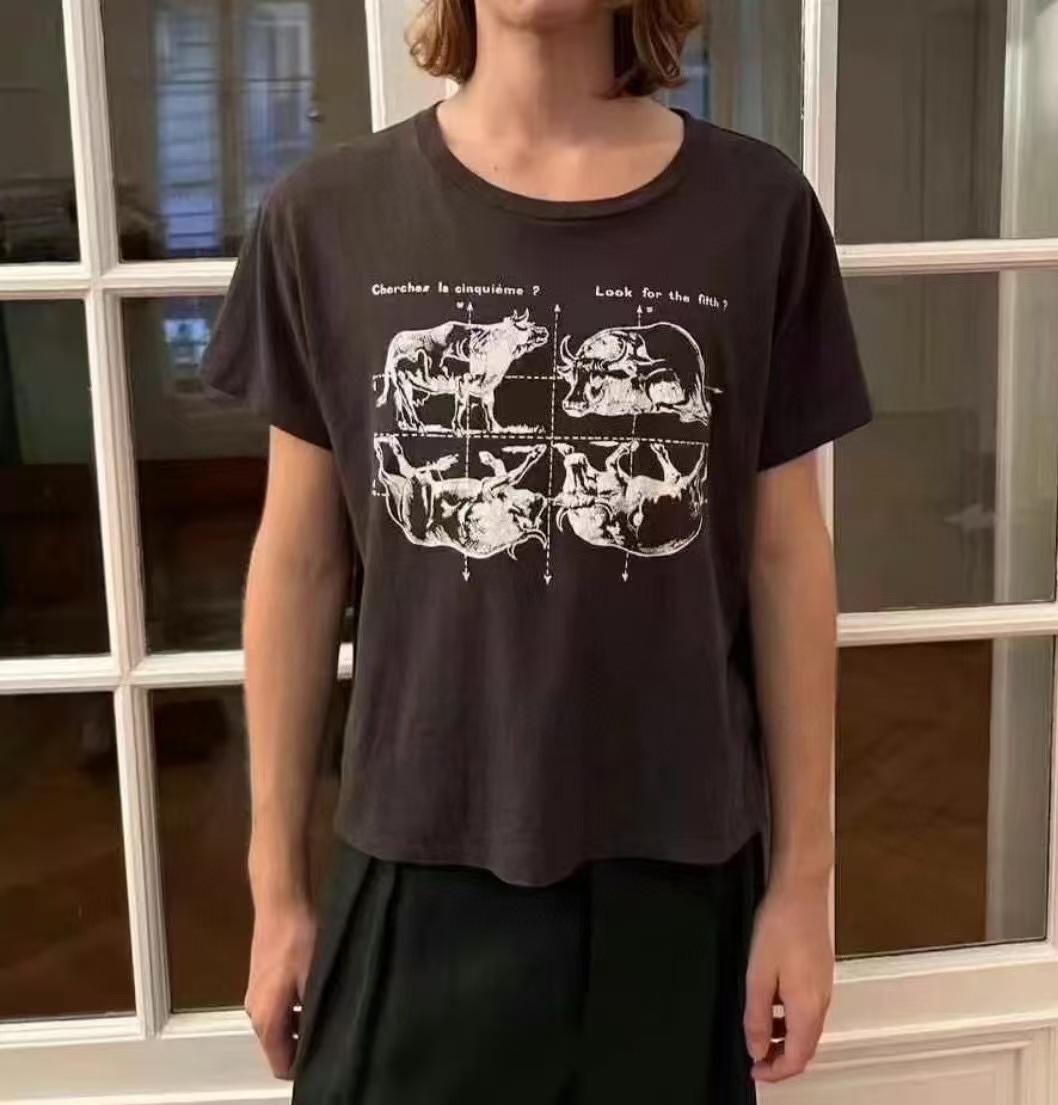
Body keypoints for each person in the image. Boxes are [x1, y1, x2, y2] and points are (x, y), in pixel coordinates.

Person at [198, 1, 874, 1101]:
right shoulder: (327, 215)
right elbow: (300, 563)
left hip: (676, 865)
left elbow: (785, 559)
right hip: (416, 854)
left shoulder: (757, 211)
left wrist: (805, 886)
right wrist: (275, 889)